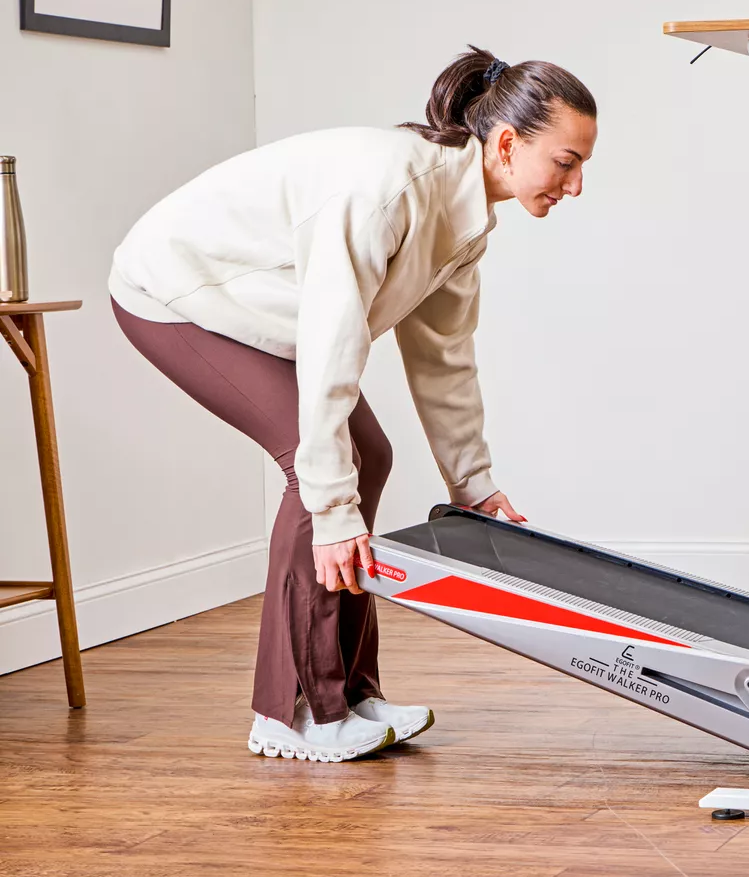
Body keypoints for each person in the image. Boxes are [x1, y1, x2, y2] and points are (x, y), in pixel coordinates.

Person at [108, 46, 598, 762]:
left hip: (264, 308)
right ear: (506, 143)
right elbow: (335, 338)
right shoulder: (390, 189)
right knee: (321, 478)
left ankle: (353, 695)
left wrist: (474, 484)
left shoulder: (463, 220)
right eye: (566, 161)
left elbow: (445, 357)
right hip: (176, 292)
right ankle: (294, 710)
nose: (576, 184)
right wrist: (333, 508)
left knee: (368, 454)